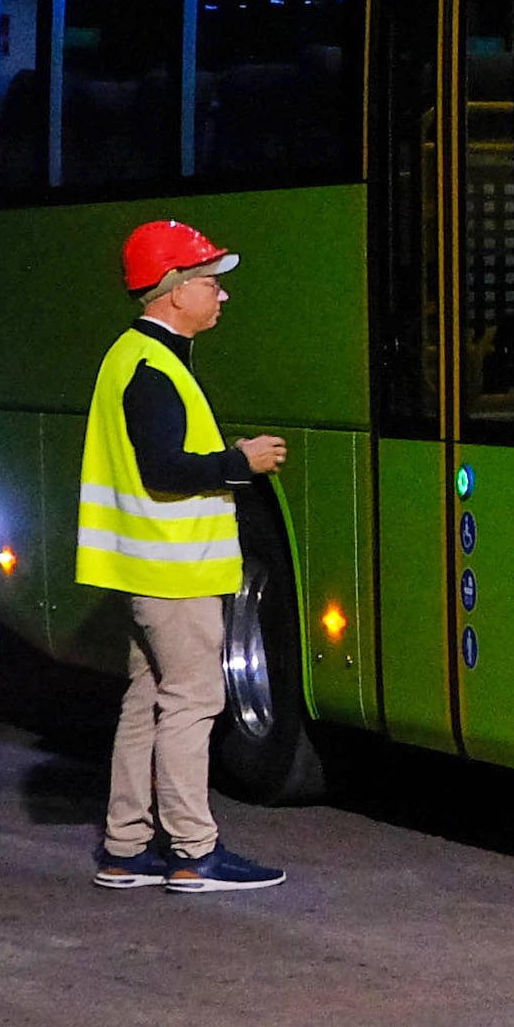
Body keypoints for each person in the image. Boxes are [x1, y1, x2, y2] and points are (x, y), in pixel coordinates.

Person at [80, 220, 291, 892]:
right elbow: (166, 468)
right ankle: (193, 851)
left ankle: (126, 847)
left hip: (146, 567)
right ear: (174, 292)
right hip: (175, 571)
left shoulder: (133, 356)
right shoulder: (154, 368)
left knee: (147, 700)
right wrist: (240, 463)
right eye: (210, 283)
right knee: (192, 702)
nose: (221, 296)